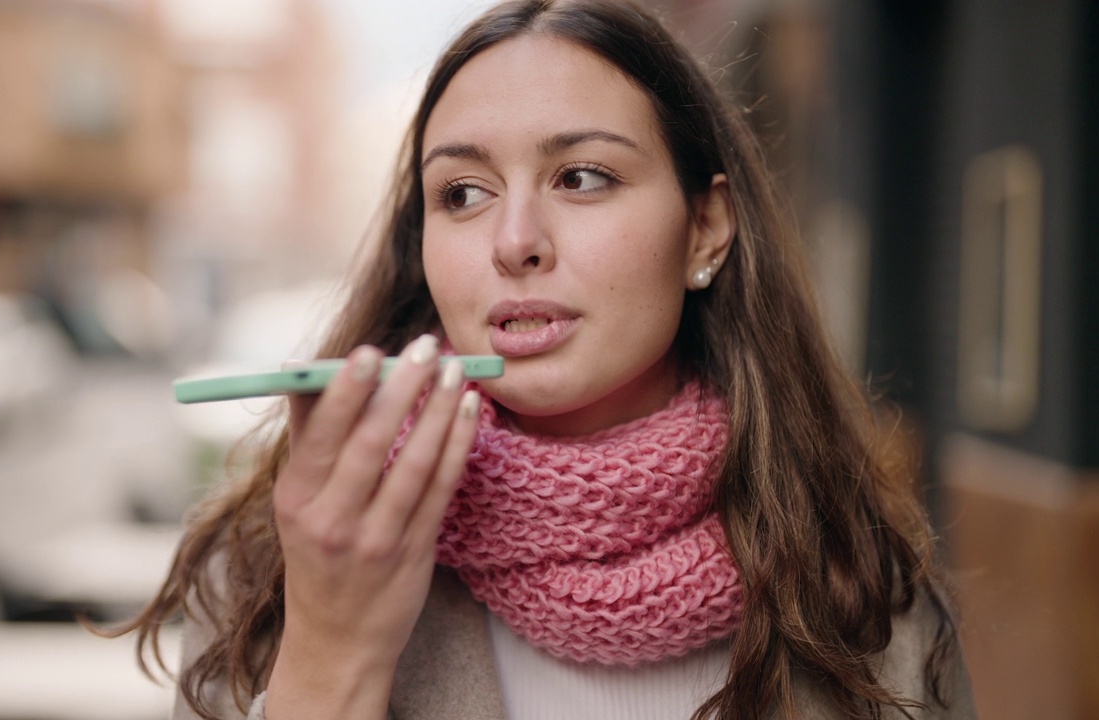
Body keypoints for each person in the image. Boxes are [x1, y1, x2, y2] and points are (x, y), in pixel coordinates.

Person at [119, 1, 976, 718]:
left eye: (582, 177)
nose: (515, 242)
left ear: (705, 228)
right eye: (462, 194)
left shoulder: (867, 596)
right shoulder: (273, 569)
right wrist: (330, 660)